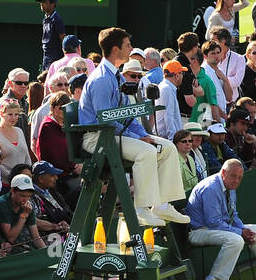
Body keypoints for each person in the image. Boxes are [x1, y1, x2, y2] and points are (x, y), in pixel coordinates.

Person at [79, 26, 191, 227]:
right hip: (97, 138)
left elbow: (128, 114)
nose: (130, 49)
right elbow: (105, 119)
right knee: (147, 152)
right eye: (127, 45)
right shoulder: (101, 79)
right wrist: (137, 137)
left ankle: (162, 205)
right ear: (115, 49)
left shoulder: (117, 76)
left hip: (117, 134)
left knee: (167, 148)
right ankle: (142, 209)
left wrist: (141, 134)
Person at [186, 159, 256, 280]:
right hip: (198, 231)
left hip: (215, 228)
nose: (236, 181)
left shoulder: (229, 186)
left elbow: (233, 215)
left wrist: (244, 229)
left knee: (254, 231)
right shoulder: (211, 188)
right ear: (223, 172)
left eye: (239, 178)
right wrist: (240, 233)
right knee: (236, 240)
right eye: (233, 176)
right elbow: (213, 222)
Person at [39, 0, 65, 67]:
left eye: (44, 2)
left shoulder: (57, 19)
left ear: (52, 4)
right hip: (46, 56)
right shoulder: (45, 18)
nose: (41, 4)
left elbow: (62, 38)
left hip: (55, 58)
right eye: (41, 2)